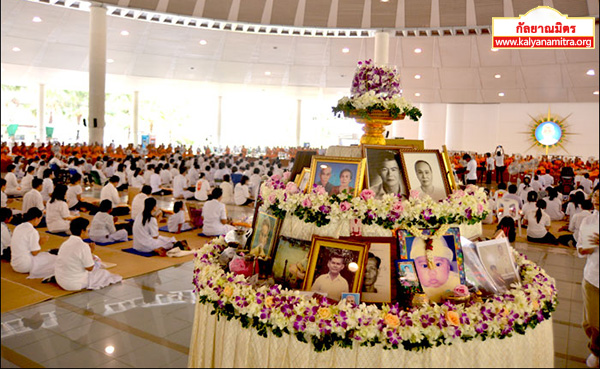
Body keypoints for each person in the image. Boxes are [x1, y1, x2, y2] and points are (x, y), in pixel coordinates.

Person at [55, 217, 123, 291]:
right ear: (82, 231)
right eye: (86, 229)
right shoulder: (83, 245)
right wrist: (91, 255)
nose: (87, 231)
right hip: (74, 284)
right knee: (104, 273)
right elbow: (90, 268)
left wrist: (90, 252)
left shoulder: (65, 243)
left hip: (60, 280)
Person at [575, 186, 599, 368]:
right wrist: (586, 248)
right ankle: (596, 350)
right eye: (595, 195)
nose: (597, 199)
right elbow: (581, 249)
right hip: (593, 276)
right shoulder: (589, 220)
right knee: (591, 322)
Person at [410, 236, 460, 303]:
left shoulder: (455, 281)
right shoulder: (414, 288)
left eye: (438, 264)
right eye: (424, 266)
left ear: (448, 266)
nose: (432, 272)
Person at [10, 207, 56, 279]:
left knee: (45, 255)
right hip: (25, 265)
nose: (40, 221)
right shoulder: (32, 231)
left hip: (14, 263)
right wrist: (41, 242)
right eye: (40, 219)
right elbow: (34, 252)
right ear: (36, 218)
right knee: (53, 259)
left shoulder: (18, 227)